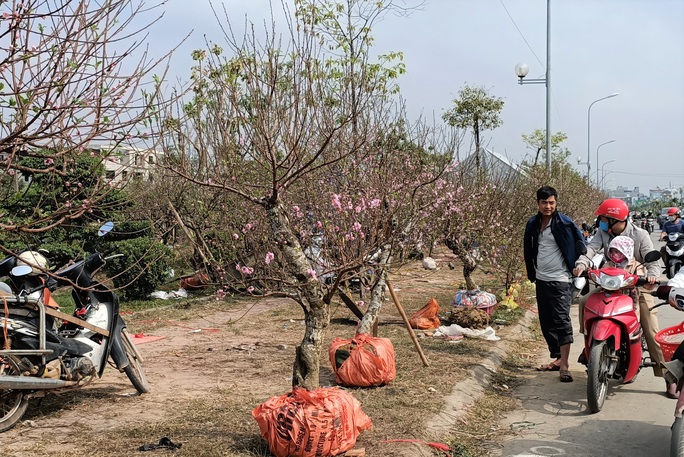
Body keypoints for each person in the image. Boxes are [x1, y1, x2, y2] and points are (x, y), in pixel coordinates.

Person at [572, 198, 669, 395]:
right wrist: (581, 264)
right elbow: (590, 249)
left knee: (651, 327)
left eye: (605, 219)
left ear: (617, 219)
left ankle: (668, 376)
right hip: (611, 282)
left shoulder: (639, 235)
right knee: (585, 301)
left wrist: (652, 276)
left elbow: (652, 260)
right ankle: (590, 346)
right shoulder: (602, 232)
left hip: (635, 284)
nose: (602, 222)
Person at [524, 186, 584, 383]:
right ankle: (558, 357)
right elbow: (528, 248)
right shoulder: (533, 223)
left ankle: (565, 365)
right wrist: (531, 272)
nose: (548, 206)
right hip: (542, 279)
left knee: (561, 320)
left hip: (561, 279)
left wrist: (577, 265)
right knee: (546, 321)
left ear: (556, 203)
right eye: (544, 203)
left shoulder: (565, 223)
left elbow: (580, 243)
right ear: (538, 204)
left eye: (551, 202)